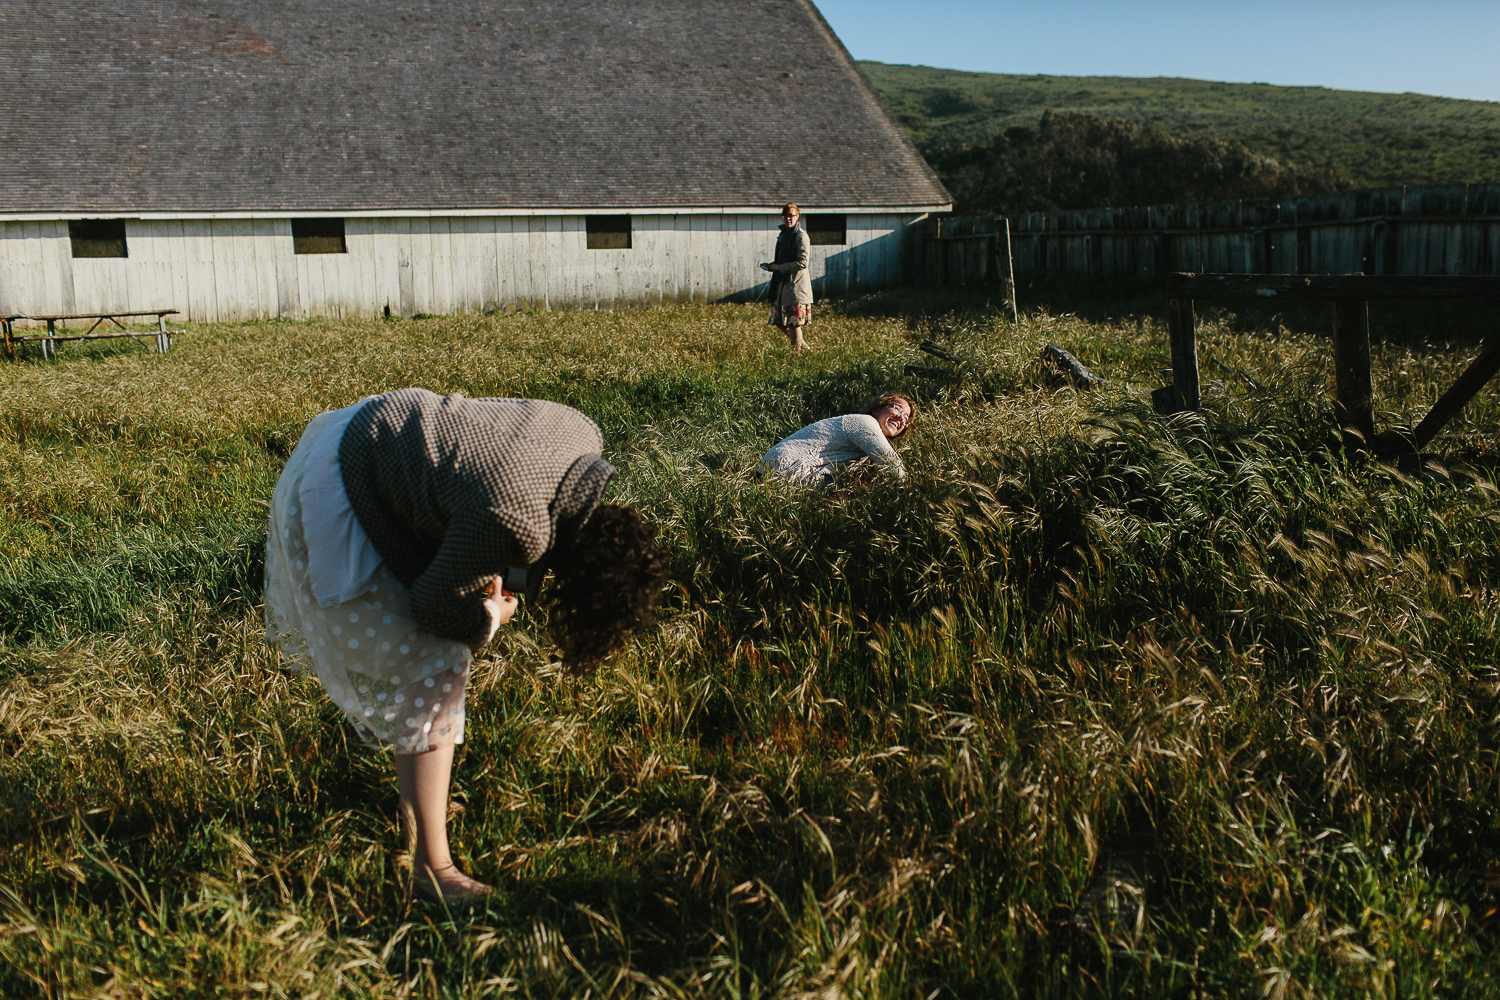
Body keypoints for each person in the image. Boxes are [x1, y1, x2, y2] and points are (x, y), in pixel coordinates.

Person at [263, 388, 667, 902]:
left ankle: (419, 805)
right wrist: (490, 619)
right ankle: (433, 871)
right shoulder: (515, 520)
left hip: (359, 426)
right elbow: (434, 604)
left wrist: (512, 584)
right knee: (439, 665)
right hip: (338, 487)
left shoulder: (582, 437)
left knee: (432, 665)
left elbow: (509, 511)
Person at [760, 393, 915, 484]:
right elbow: (892, 464)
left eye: (906, 418)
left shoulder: (867, 445)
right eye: (897, 408)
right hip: (789, 467)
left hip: (778, 471)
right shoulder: (865, 422)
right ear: (876, 408)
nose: (901, 417)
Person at [761, 203, 813, 351]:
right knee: (778, 321)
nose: (788, 219)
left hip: (796, 288)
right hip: (782, 286)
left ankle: (797, 357)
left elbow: (803, 262)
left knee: (793, 323)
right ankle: (805, 349)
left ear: (798, 216)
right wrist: (772, 266)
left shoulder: (801, 236)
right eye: (785, 216)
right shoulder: (784, 235)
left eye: (791, 215)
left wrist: (780, 267)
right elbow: (782, 260)